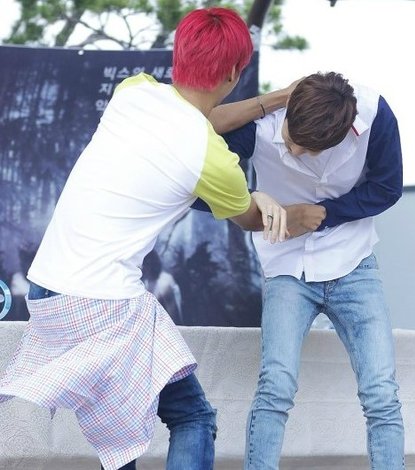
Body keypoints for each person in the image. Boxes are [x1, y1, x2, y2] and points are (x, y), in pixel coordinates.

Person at [0, 8, 289, 470]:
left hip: (49, 291)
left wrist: (276, 99)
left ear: (180, 54)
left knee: (121, 438)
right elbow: (254, 219)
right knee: (193, 417)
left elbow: (201, 119)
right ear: (234, 73)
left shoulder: (133, 91)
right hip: (103, 303)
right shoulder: (212, 160)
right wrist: (270, 200)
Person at [210, 71, 405, 469]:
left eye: (309, 149)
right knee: (275, 387)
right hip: (285, 266)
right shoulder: (261, 124)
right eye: (291, 140)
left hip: (354, 261)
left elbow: (387, 187)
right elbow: (199, 172)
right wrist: (253, 199)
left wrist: (324, 214)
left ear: (344, 134)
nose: (295, 151)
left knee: (382, 393)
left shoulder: (374, 115)